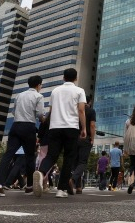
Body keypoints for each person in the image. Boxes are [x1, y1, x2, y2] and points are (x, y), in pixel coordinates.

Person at [32, 68, 86, 198]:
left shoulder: (55, 91)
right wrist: (83, 128)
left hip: (54, 127)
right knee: (68, 158)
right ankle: (61, 190)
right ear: (76, 78)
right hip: (71, 127)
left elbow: (51, 111)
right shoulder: (79, 91)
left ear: (63, 78)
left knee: (51, 155)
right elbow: (81, 111)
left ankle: (41, 172)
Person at [0, 75, 45, 197]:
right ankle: (29, 187)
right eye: (41, 85)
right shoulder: (38, 96)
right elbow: (41, 114)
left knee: (7, 155)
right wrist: (44, 120)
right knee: (30, 157)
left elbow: (13, 112)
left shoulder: (19, 95)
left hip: (15, 126)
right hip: (28, 127)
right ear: (38, 85)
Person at [70, 94, 96, 194]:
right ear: (89, 102)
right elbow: (92, 125)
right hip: (85, 138)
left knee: (76, 162)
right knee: (82, 162)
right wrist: (92, 138)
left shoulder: (75, 110)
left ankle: (79, 187)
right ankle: (72, 180)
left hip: (74, 138)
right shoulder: (91, 111)